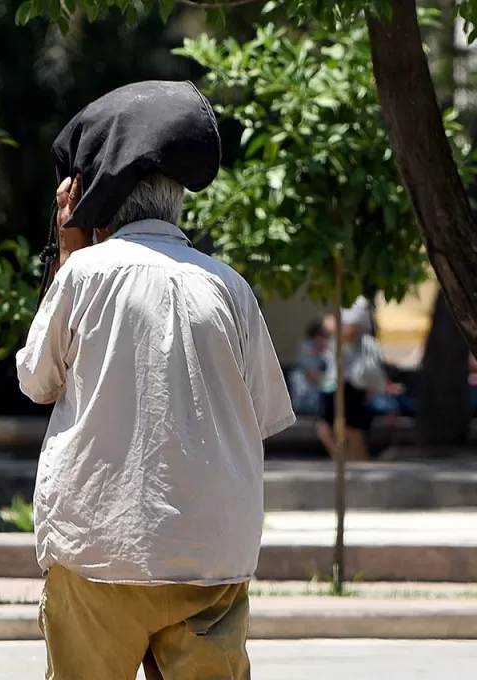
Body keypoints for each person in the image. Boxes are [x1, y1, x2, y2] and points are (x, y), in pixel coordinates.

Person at [17, 81, 295, 680]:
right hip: (211, 561)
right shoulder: (229, 286)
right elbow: (265, 416)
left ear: (89, 201)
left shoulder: (83, 275)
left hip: (99, 551)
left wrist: (66, 251)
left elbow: (38, 382)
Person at [315, 306, 386, 462]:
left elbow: (348, 333)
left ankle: (359, 464)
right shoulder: (340, 304)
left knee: (352, 429)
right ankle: (343, 461)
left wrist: (333, 325)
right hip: (333, 379)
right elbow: (329, 324)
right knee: (325, 427)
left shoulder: (358, 303)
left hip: (352, 378)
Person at [290, 319, 329, 415]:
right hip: (305, 390)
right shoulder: (306, 347)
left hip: (316, 385)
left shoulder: (324, 349)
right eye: (322, 336)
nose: (324, 340)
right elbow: (312, 373)